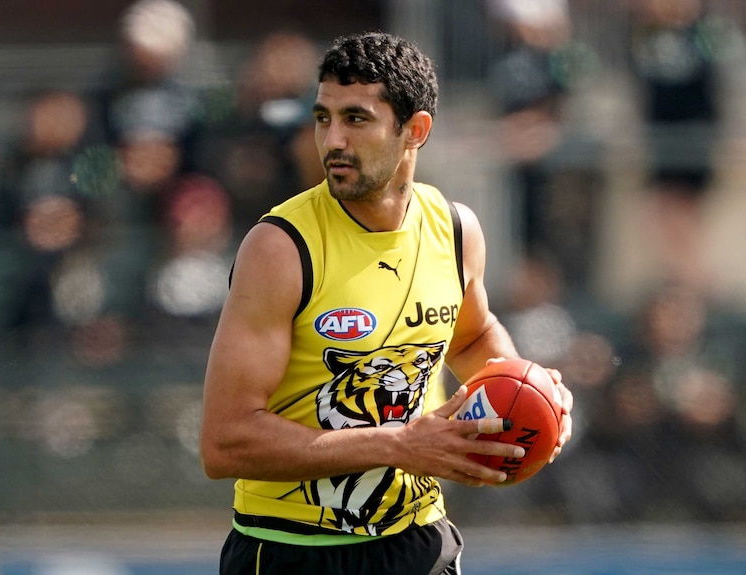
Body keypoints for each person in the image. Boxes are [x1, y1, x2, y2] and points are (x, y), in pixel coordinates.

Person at [200, 32, 573, 575]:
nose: (333, 140)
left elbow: (471, 336)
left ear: (414, 131)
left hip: (420, 545)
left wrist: (524, 391)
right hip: (291, 552)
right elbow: (225, 442)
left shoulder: (455, 229)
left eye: (356, 119)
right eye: (323, 118)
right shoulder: (280, 248)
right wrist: (398, 443)